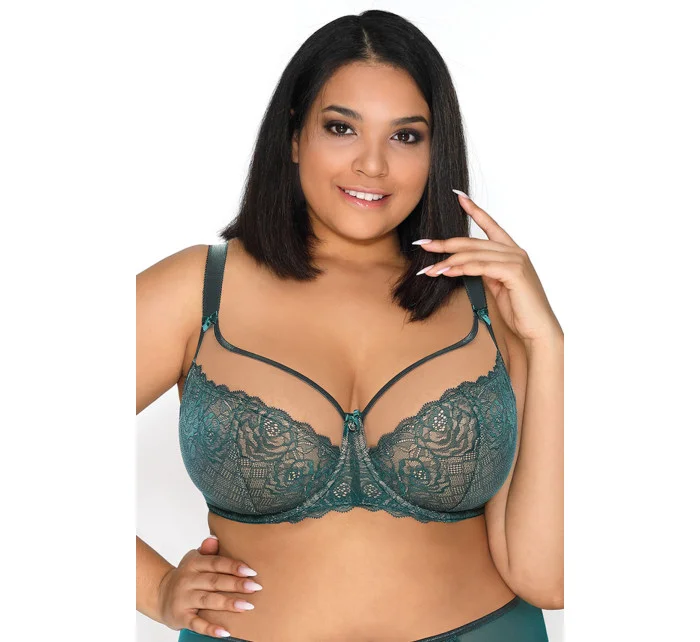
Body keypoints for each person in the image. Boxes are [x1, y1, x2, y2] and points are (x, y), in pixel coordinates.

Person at [136, 9, 563, 641]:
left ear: (436, 150)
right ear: (293, 136)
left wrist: (548, 345)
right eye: (341, 128)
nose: (372, 165)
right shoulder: (197, 290)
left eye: (406, 136)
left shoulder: (487, 301)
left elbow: (546, 579)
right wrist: (154, 588)